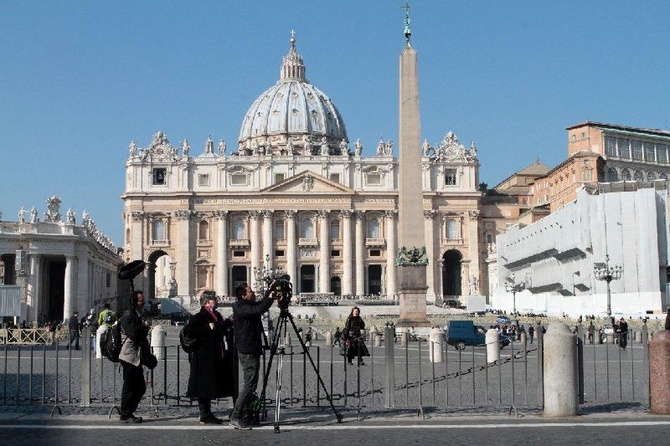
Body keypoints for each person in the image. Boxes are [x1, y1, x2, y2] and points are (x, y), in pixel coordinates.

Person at [230, 282, 276, 430]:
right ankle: (236, 415)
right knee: (249, 384)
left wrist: (269, 292)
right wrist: (270, 299)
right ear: (243, 295)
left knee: (252, 384)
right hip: (248, 350)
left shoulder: (245, 305)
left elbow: (259, 304)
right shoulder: (240, 307)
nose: (253, 292)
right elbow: (259, 309)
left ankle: (246, 413)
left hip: (251, 348)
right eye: (250, 291)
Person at [185, 293, 235, 424]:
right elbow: (191, 332)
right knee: (203, 385)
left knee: (209, 384)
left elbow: (219, 329)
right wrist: (207, 328)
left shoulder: (216, 315)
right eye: (214, 299)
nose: (217, 301)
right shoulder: (199, 317)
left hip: (214, 355)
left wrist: (229, 322)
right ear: (207, 302)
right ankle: (205, 414)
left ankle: (207, 413)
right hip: (204, 356)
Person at [118, 290, 151, 423]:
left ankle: (128, 410)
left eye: (142, 300)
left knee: (140, 387)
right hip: (128, 356)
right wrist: (144, 327)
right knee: (130, 386)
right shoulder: (128, 315)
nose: (142, 302)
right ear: (134, 302)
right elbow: (133, 333)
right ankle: (125, 414)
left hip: (135, 356)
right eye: (140, 300)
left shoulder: (137, 314)